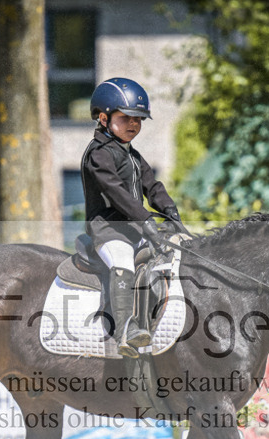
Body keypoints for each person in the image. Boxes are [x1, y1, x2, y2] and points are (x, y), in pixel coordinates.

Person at [81, 77, 181, 358]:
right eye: (125, 118)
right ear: (103, 118)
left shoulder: (132, 155)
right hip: (108, 231)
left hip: (134, 229)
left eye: (138, 119)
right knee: (123, 260)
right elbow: (116, 192)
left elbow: (152, 186)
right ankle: (125, 330)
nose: (133, 124)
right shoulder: (98, 155)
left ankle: (154, 324)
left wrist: (170, 211)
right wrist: (145, 219)